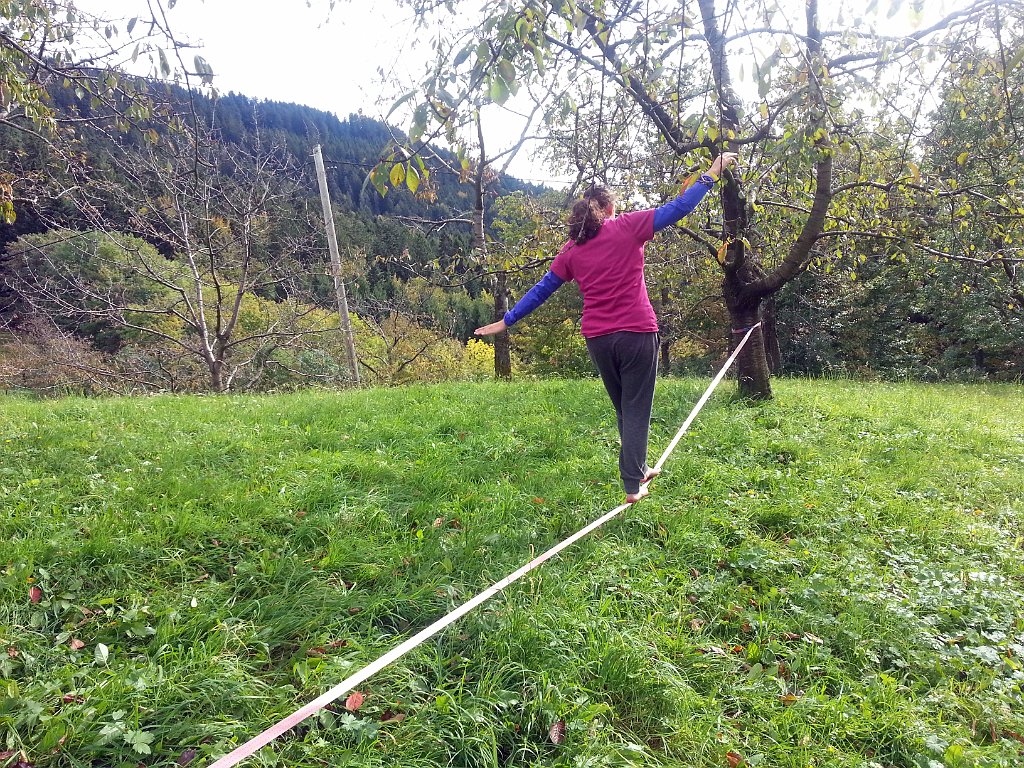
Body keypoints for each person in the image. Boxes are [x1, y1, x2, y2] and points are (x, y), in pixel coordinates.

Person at [475, 153, 738, 504]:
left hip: (598, 339)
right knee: (636, 407)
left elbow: (542, 289)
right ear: (608, 208)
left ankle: (639, 468)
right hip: (637, 332)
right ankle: (632, 484)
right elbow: (679, 208)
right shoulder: (628, 226)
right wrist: (713, 171)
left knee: (624, 407)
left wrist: (506, 321)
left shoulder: (571, 249)